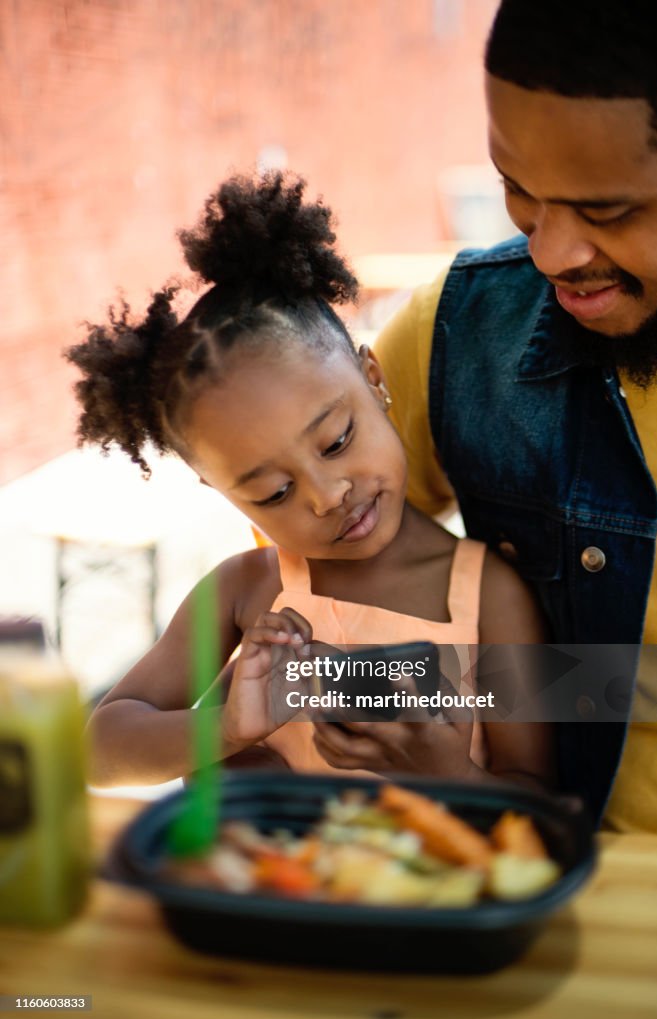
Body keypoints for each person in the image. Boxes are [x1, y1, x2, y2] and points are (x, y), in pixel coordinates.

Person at [66, 172, 553, 791]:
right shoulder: (247, 593)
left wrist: (448, 772)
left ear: (374, 379)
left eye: (336, 441)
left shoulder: (487, 596)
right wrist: (227, 727)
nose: (327, 496)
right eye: (273, 492)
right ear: (218, 490)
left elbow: (541, 798)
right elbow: (101, 748)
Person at [372, 0, 657, 831]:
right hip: (543, 890)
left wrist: (527, 679)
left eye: (607, 212)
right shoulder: (460, 334)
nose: (549, 254)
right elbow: (316, 637)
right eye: (516, 189)